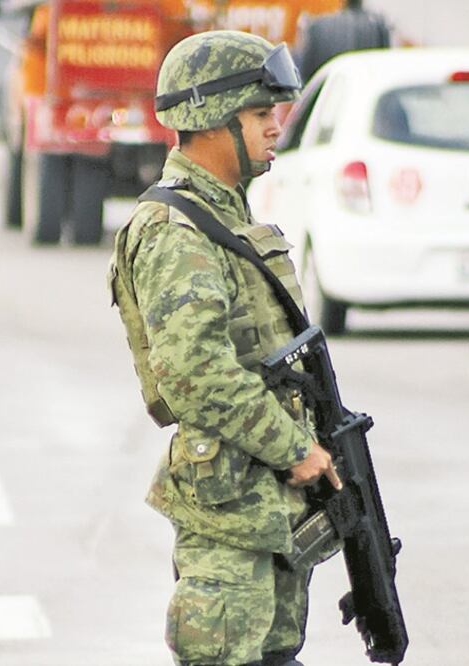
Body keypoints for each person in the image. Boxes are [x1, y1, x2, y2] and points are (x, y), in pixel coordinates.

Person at [108, 30, 342, 665]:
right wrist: (294, 448)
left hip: (265, 501)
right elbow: (193, 372)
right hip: (230, 507)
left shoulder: (228, 216)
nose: (277, 126)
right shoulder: (176, 230)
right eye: (261, 113)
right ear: (213, 119)